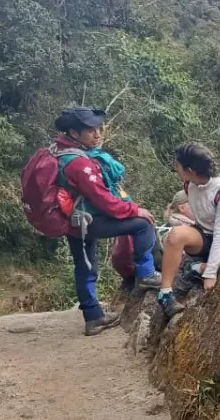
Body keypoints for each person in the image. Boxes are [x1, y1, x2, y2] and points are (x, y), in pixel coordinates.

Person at [51, 107, 160, 335]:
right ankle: (146, 274)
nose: (98, 134)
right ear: (74, 133)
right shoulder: (79, 163)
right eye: (91, 131)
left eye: (99, 129)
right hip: (90, 220)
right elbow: (104, 200)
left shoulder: (59, 151)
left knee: (85, 266)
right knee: (143, 224)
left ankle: (93, 318)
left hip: (75, 221)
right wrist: (134, 209)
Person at [157, 143, 220, 318]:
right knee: (175, 236)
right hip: (205, 236)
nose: (175, 168)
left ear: (190, 170)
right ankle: (165, 294)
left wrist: (210, 275)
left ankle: (199, 268)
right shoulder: (191, 185)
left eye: (178, 165)